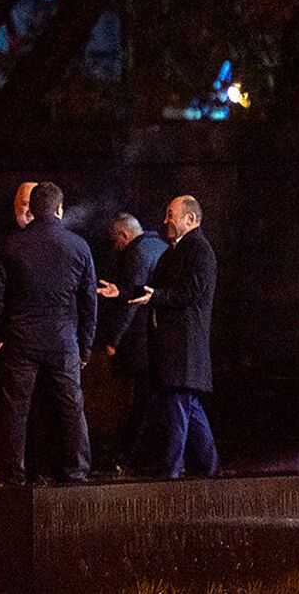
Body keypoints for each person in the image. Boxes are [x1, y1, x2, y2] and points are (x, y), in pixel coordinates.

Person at [0, 182, 97, 484]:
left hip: (21, 339)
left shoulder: (12, 244)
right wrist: (85, 347)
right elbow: (89, 301)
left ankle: (14, 472)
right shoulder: (78, 246)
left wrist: (1, 331)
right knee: (71, 407)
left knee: (15, 408)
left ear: (32, 209)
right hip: (63, 340)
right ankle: (76, 471)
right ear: (60, 209)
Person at [128, 195, 219, 478]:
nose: (166, 220)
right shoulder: (174, 253)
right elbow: (151, 290)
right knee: (187, 409)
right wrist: (121, 291)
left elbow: (189, 293)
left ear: (190, 219)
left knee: (177, 412)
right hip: (174, 351)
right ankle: (209, 468)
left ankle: (170, 472)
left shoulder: (199, 251)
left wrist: (155, 296)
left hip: (183, 350)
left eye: (171, 215)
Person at [96, 212, 169, 466]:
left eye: (115, 240)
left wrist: (113, 340)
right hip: (161, 338)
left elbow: (131, 304)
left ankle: (125, 453)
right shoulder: (159, 245)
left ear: (125, 235)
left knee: (137, 400)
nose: (114, 247)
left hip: (140, 340)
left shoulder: (135, 254)